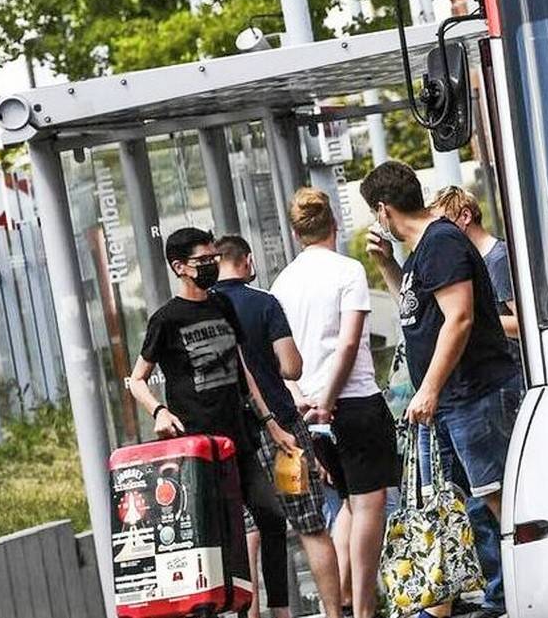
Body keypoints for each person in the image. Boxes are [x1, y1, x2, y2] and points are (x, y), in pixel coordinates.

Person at [362, 162, 522, 618]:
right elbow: (417, 312)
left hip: (474, 393)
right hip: (452, 402)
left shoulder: (441, 242)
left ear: (383, 209)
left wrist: (429, 389)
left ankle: (531, 588)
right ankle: (485, 598)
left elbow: (460, 317)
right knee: (465, 504)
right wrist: (388, 266)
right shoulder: (420, 252)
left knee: (498, 499)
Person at [123, 227, 297, 618]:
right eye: (202, 262)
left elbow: (243, 370)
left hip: (240, 438)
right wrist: (159, 411)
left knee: (271, 515)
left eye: (213, 260)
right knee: (218, 532)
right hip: (197, 448)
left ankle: (280, 609)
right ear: (180, 267)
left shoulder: (223, 306)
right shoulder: (165, 320)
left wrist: (271, 424)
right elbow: (136, 379)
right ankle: (227, 608)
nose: (210, 267)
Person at [272, 189, 402, 618]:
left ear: (295, 233)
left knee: (343, 500)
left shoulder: (282, 284)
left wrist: (305, 402)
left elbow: (281, 359)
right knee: (369, 504)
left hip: (307, 409)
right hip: (354, 400)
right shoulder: (348, 272)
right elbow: (349, 343)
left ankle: (342, 602)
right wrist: (329, 399)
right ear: (335, 224)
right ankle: (364, 607)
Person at [215, 235, 344, 618]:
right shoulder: (263, 303)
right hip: (283, 433)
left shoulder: (208, 312)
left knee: (249, 537)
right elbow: (292, 367)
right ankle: (336, 614)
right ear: (247, 261)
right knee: (310, 526)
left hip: (236, 440)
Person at [431, 186, 517, 340]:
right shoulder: (475, 260)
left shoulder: (498, 260)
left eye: (444, 224)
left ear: (465, 216)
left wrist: (470, 318)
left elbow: (521, 323)